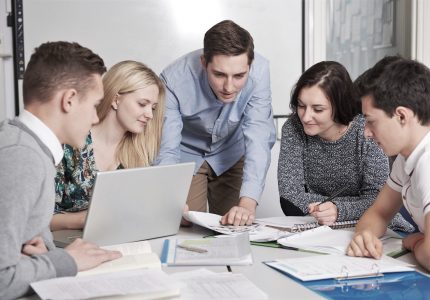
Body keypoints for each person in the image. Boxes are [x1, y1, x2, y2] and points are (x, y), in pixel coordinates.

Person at [0, 41, 121, 300]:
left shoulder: (28, 147)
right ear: (69, 100)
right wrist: (66, 260)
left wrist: (44, 257)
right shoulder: (23, 158)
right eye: (94, 105)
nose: (95, 118)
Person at [156, 20, 276, 226]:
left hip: (232, 151)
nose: (229, 87)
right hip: (188, 154)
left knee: (235, 226)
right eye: (219, 74)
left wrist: (248, 204)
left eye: (239, 76)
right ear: (204, 63)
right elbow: (167, 149)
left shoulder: (260, 71)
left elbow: (259, 136)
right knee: (188, 227)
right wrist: (170, 198)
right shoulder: (173, 80)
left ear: (250, 65)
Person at [278, 61, 413, 231]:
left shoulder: (368, 129)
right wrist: (331, 208)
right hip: (316, 229)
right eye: (301, 105)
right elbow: (289, 197)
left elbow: (378, 200)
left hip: (377, 228)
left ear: (339, 105)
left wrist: (338, 209)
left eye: (318, 109)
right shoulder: (293, 127)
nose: (305, 117)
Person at [51, 60, 165, 231]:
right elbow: (36, 219)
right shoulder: (69, 145)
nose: (149, 114)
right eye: (142, 104)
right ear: (116, 100)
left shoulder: (139, 152)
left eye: (153, 108)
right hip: (63, 242)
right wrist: (83, 220)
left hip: (116, 238)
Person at [347, 58, 430, 270]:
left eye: (371, 121)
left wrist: (415, 242)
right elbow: (379, 212)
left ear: (402, 115)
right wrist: (365, 236)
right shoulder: (407, 157)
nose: (366, 132)